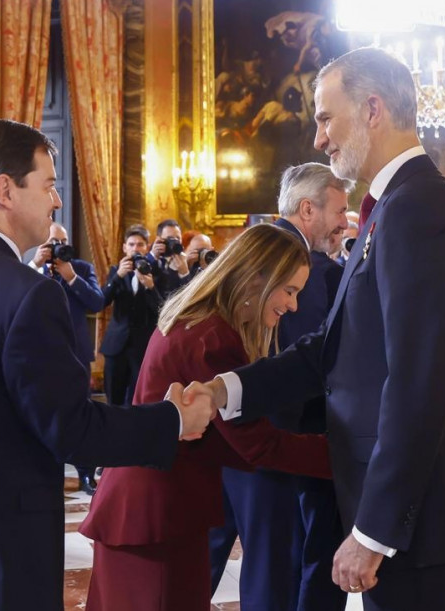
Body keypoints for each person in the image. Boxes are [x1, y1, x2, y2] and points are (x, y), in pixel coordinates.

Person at [190, 47, 445, 611]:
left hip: (420, 520)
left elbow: (419, 382)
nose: (318, 138)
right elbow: (333, 351)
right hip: (411, 515)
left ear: (373, 109)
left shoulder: (418, 208)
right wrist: (226, 389)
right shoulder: (394, 205)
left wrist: (373, 532)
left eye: (325, 117)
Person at [0, 119, 214, 611]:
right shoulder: (28, 294)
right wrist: (174, 420)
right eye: (49, 184)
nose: (56, 201)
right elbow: (71, 429)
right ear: (5, 190)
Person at [81, 223, 332, 611]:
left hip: (153, 509)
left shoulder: (204, 321)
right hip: (156, 517)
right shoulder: (212, 337)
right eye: (289, 291)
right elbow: (258, 444)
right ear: (256, 278)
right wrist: (349, 456)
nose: (294, 305)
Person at [208, 162, 351, 611]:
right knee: (279, 570)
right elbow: (309, 360)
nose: (345, 224)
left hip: (232, 431)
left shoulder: (255, 250)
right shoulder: (304, 266)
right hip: (276, 439)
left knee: (208, 555)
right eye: (340, 211)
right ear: (308, 208)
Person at [29, 222, 106, 493]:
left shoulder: (82, 269)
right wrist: (35, 266)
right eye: (53, 242)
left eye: (62, 241)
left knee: (81, 414)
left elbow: (97, 302)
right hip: (38, 353)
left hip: (75, 352)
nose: (58, 247)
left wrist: (72, 276)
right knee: (39, 413)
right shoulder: (31, 269)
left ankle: (86, 474)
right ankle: (43, 474)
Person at [99, 224, 162, 406]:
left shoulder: (156, 273)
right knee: (113, 400)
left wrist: (150, 287)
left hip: (142, 348)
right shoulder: (115, 271)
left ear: (147, 247)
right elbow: (101, 302)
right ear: (125, 247)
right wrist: (117, 276)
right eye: (132, 244)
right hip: (116, 346)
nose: (136, 248)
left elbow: (163, 311)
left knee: (139, 400)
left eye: (140, 244)